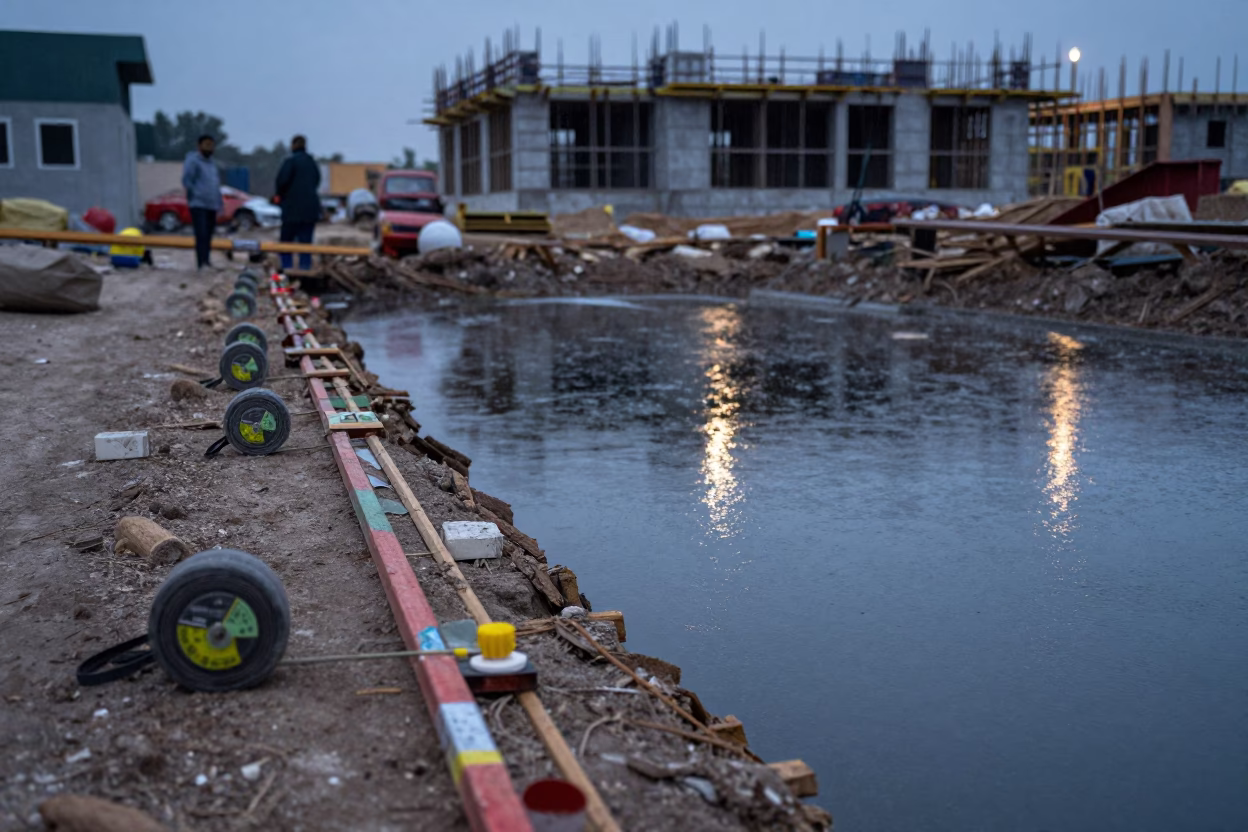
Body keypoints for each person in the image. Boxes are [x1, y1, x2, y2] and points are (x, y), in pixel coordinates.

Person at [274, 135, 322, 271]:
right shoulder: (312, 163)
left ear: (293, 145)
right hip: (310, 210)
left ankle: (286, 269)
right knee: (305, 243)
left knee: (286, 242)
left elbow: (282, 182)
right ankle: (305, 268)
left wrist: (280, 196)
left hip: (291, 210)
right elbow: (316, 181)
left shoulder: (290, 162)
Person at [182, 134, 223, 270]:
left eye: (211, 145)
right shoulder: (193, 161)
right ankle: (201, 263)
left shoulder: (212, 163)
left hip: (211, 204)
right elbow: (187, 180)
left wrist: (219, 202)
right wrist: (195, 195)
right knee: (201, 234)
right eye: (206, 144)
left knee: (209, 235)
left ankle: (207, 261)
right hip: (198, 204)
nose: (209, 148)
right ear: (199, 146)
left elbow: (215, 184)